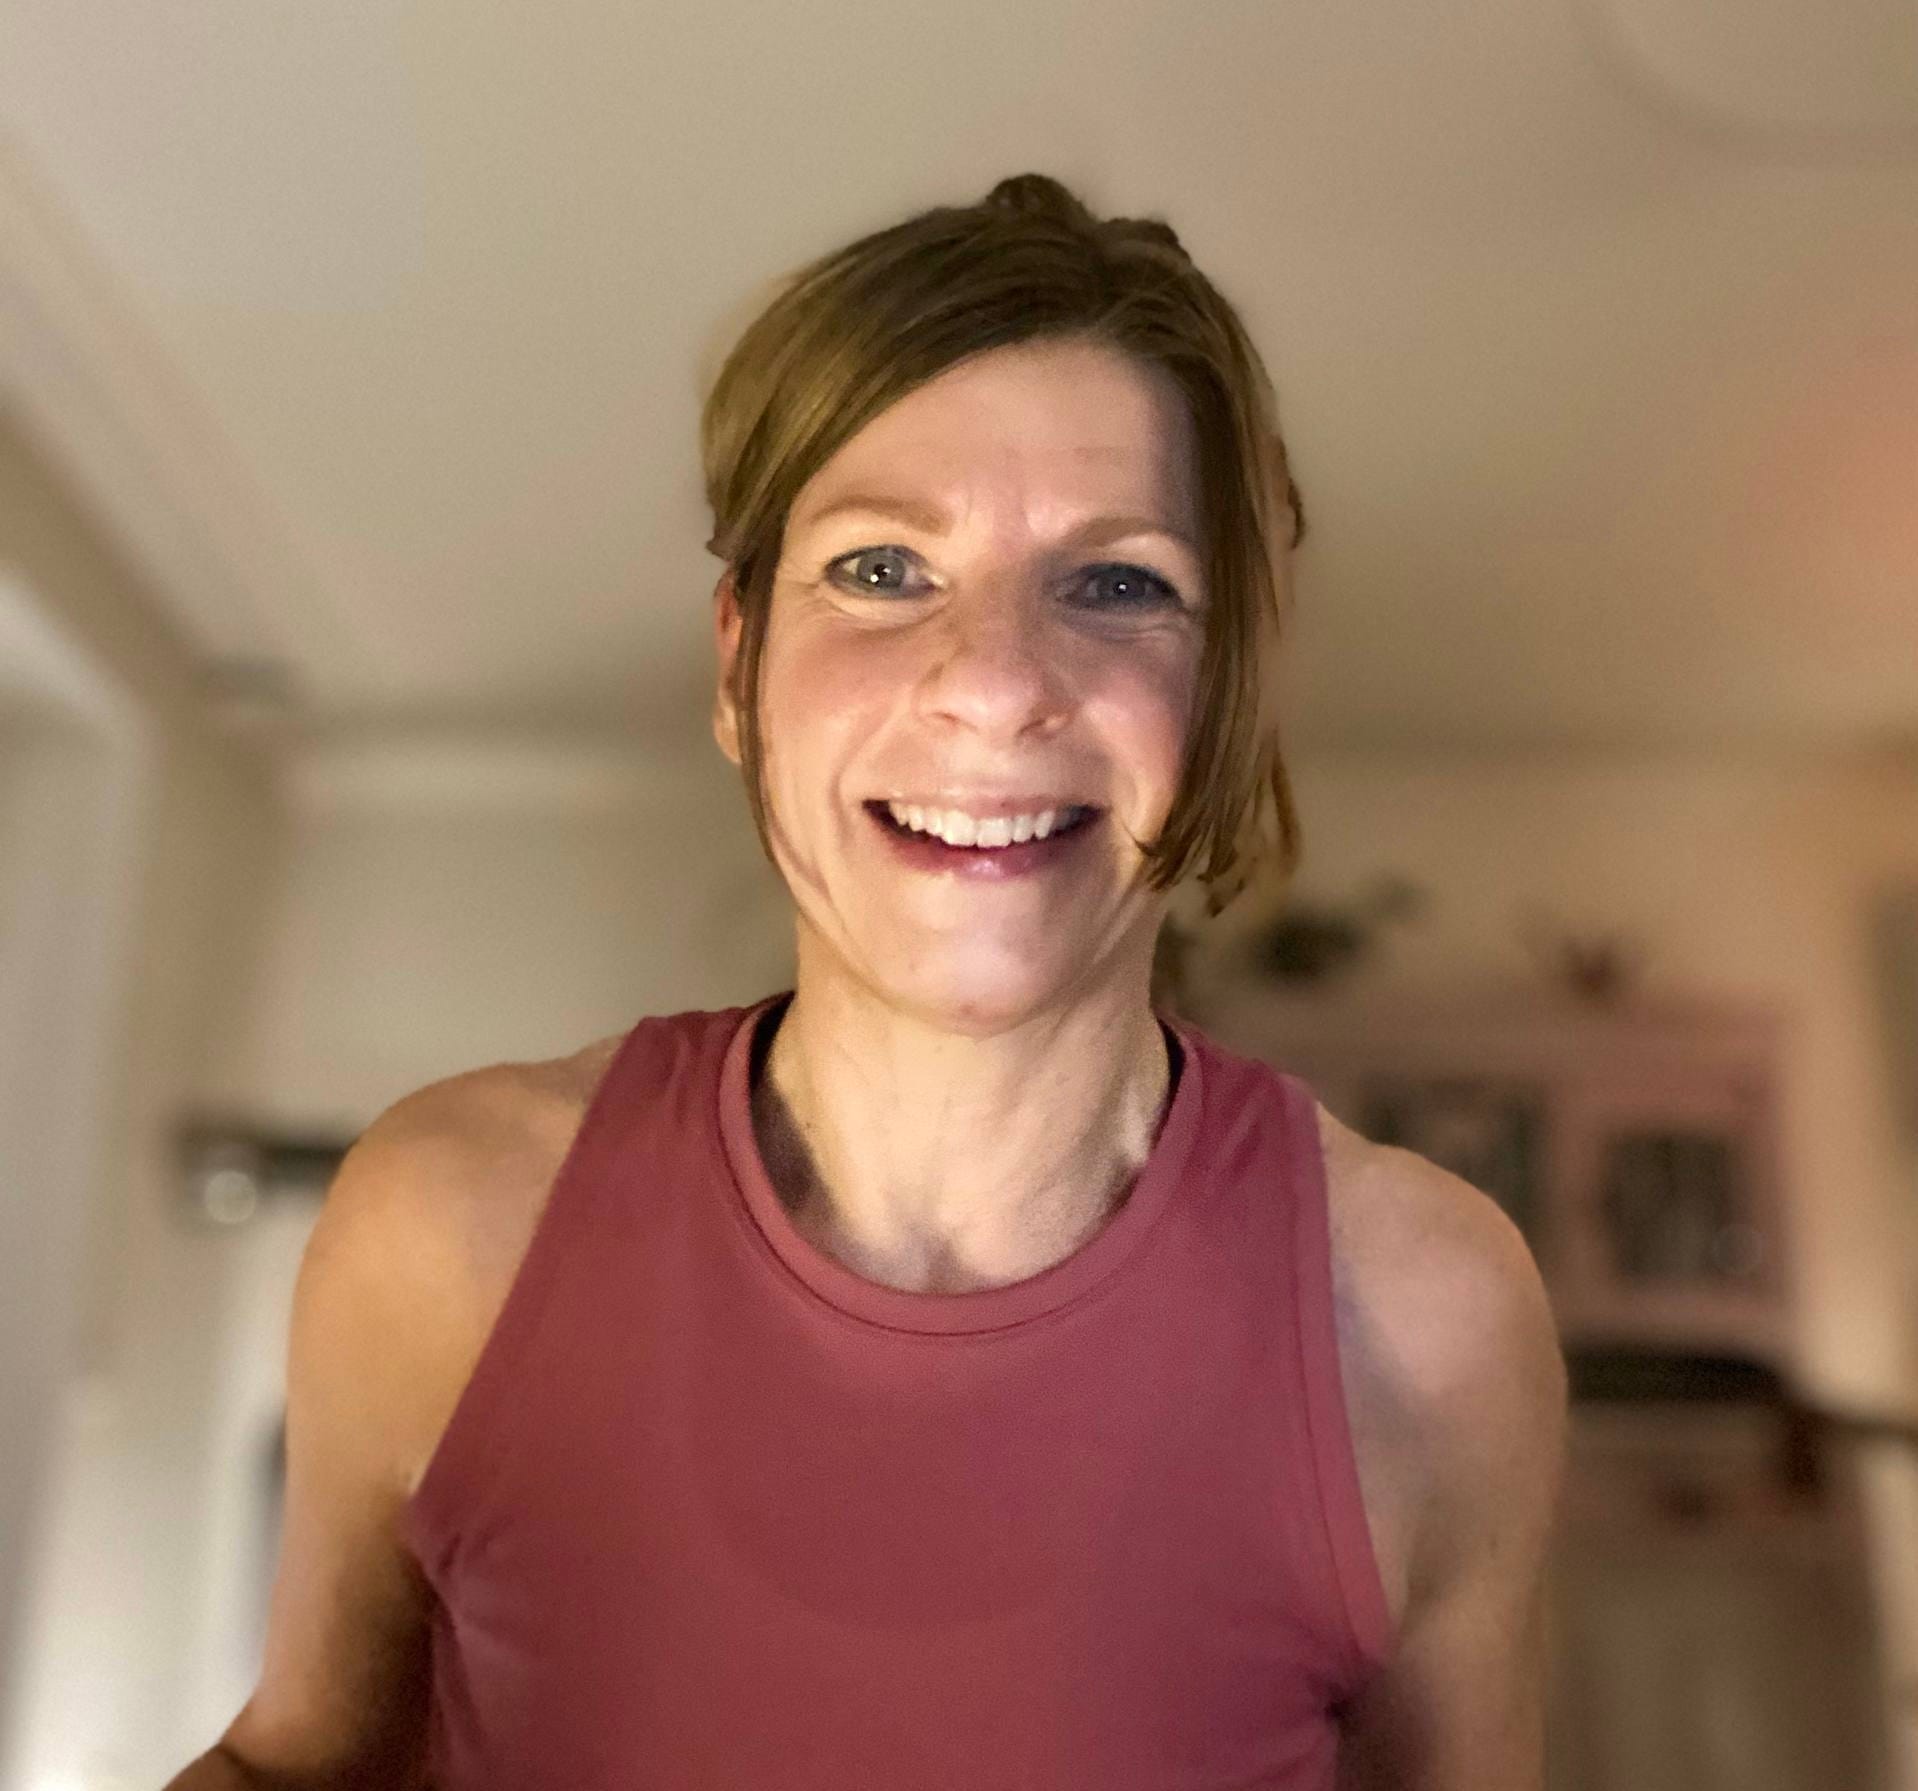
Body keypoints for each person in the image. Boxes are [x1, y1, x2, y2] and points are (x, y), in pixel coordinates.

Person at [165, 173, 1566, 1790]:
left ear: (1229, 692)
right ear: (738, 664)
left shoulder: (1425, 1314)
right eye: (882, 570)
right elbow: (295, 1769)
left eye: (1119, 582)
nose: (993, 685)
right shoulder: (448, 1222)